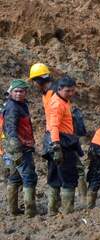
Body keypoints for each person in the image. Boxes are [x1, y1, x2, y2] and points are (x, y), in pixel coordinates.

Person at [29, 63, 87, 207]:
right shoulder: (53, 94)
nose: (34, 85)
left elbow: (55, 121)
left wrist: (56, 143)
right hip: (57, 137)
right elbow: (54, 121)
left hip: (60, 137)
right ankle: (73, 203)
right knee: (63, 173)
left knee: (68, 172)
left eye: (35, 81)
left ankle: (80, 201)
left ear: (39, 80)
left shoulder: (54, 94)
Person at [45, 76, 82, 215]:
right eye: (68, 91)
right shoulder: (57, 104)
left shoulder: (62, 100)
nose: (71, 93)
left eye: (72, 91)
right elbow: (54, 126)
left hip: (57, 140)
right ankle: (68, 211)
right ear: (59, 89)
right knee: (68, 177)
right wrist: (56, 146)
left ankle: (52, 210)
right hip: (61, 142)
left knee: (54, 177)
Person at [3, 79, 37, 217]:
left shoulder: (21, 105)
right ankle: (30, 211)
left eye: (21, 91)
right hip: (19, 148)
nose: (18, 94)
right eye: (16, 91)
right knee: (29, 177)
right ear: (10, 92)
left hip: (17, 147)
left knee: (15, 178)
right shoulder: (13, 108)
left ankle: (13, 210)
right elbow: (10, 127)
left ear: (25, 92)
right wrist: (15, 144)